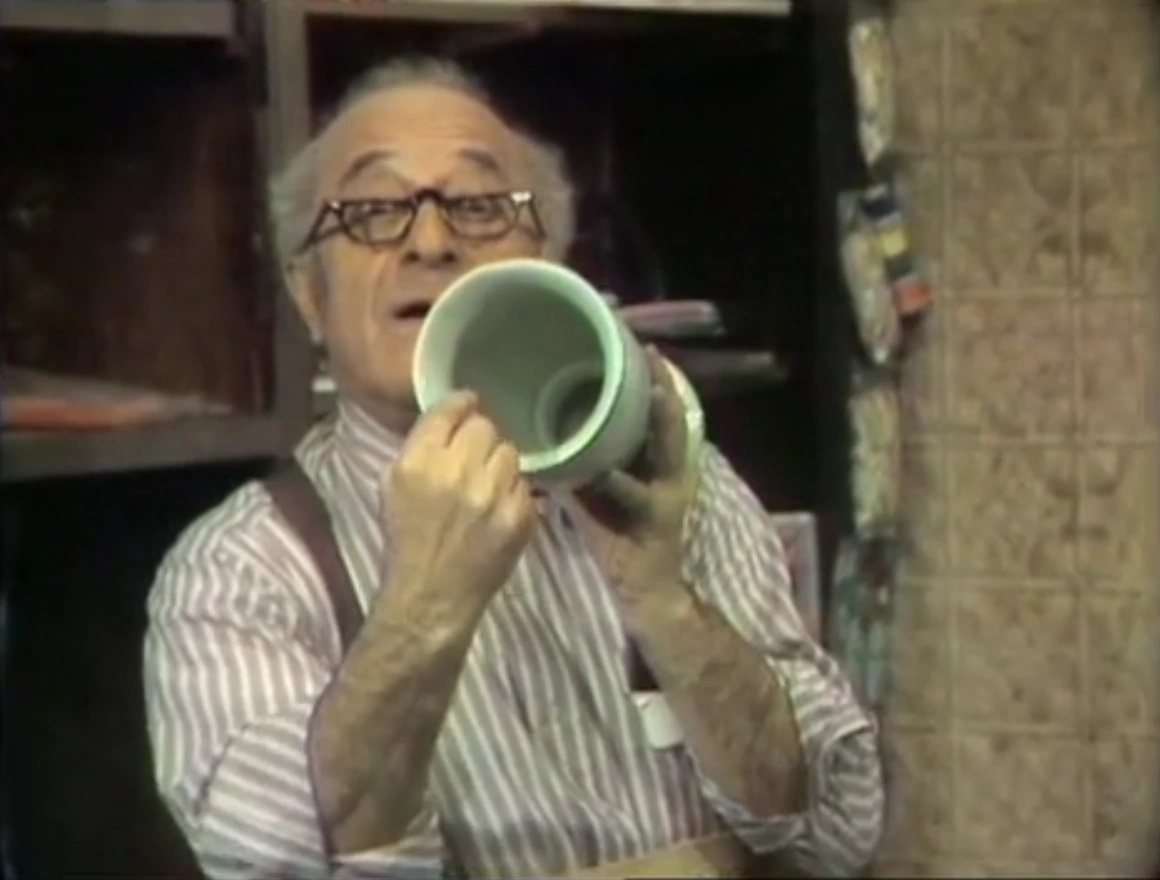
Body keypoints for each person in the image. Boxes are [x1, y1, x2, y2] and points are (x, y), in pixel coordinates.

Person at [143, 56, 884, 880]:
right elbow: (276, 865)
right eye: (374, 210)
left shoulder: (673, 481)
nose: (432, 242)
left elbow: (834, 830)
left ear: (548, 263)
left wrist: (663, 599)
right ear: (310, 296)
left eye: (480, 205)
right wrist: (424, 607)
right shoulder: (240, 569)